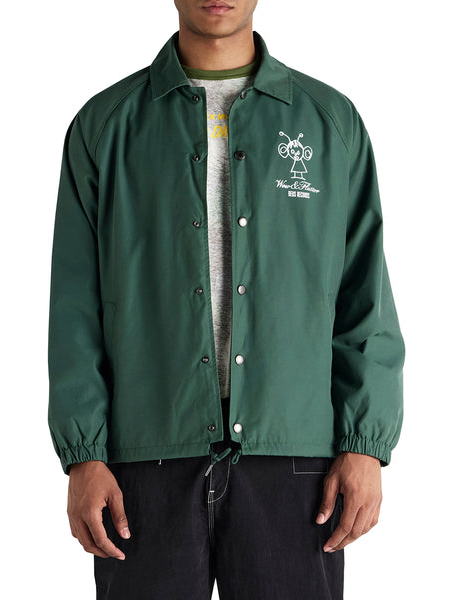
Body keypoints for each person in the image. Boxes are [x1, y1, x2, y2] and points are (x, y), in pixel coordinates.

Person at [47, 1, 405, 598]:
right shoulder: (105, 126)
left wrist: (365, 446)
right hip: (142, 458)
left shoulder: (328, 123)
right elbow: (74, 306)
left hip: (295, 459)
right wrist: (83, 454)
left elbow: (364, 295)